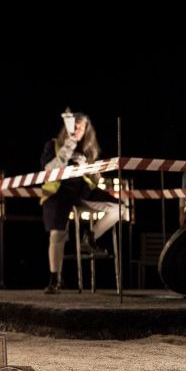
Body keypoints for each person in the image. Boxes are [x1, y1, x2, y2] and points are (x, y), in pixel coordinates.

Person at [40, 111, 125, 294]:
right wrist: (68, 147)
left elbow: (95, 180)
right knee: (57, 234)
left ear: (87, 129)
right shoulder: (53, 145)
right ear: (68, 126)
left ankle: (90, 237)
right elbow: (47, 170)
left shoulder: (89, 150)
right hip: (58, 193)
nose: (77, 129)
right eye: (75, 125)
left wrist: (86, 167)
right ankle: (55, 280)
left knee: (120, 208)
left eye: (81, 127)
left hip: (82, 192)